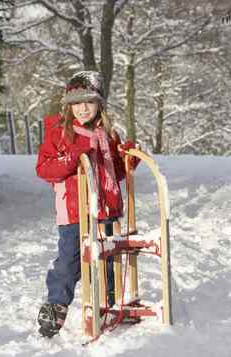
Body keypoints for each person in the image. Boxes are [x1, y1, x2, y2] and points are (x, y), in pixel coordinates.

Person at [35, 70, 139, 338]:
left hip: (107, 211)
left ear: (99, 104)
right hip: (74, 212)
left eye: (89, 102)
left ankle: (107, 304)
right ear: (69, 105)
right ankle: (56, 305)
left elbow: (112, 172)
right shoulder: (59, 133)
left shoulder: (108, 134)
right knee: (70, 261)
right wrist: (73, 155)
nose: (83, 108)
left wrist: (126, 162)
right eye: (77, 102)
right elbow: (45, 169)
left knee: (107, 259)